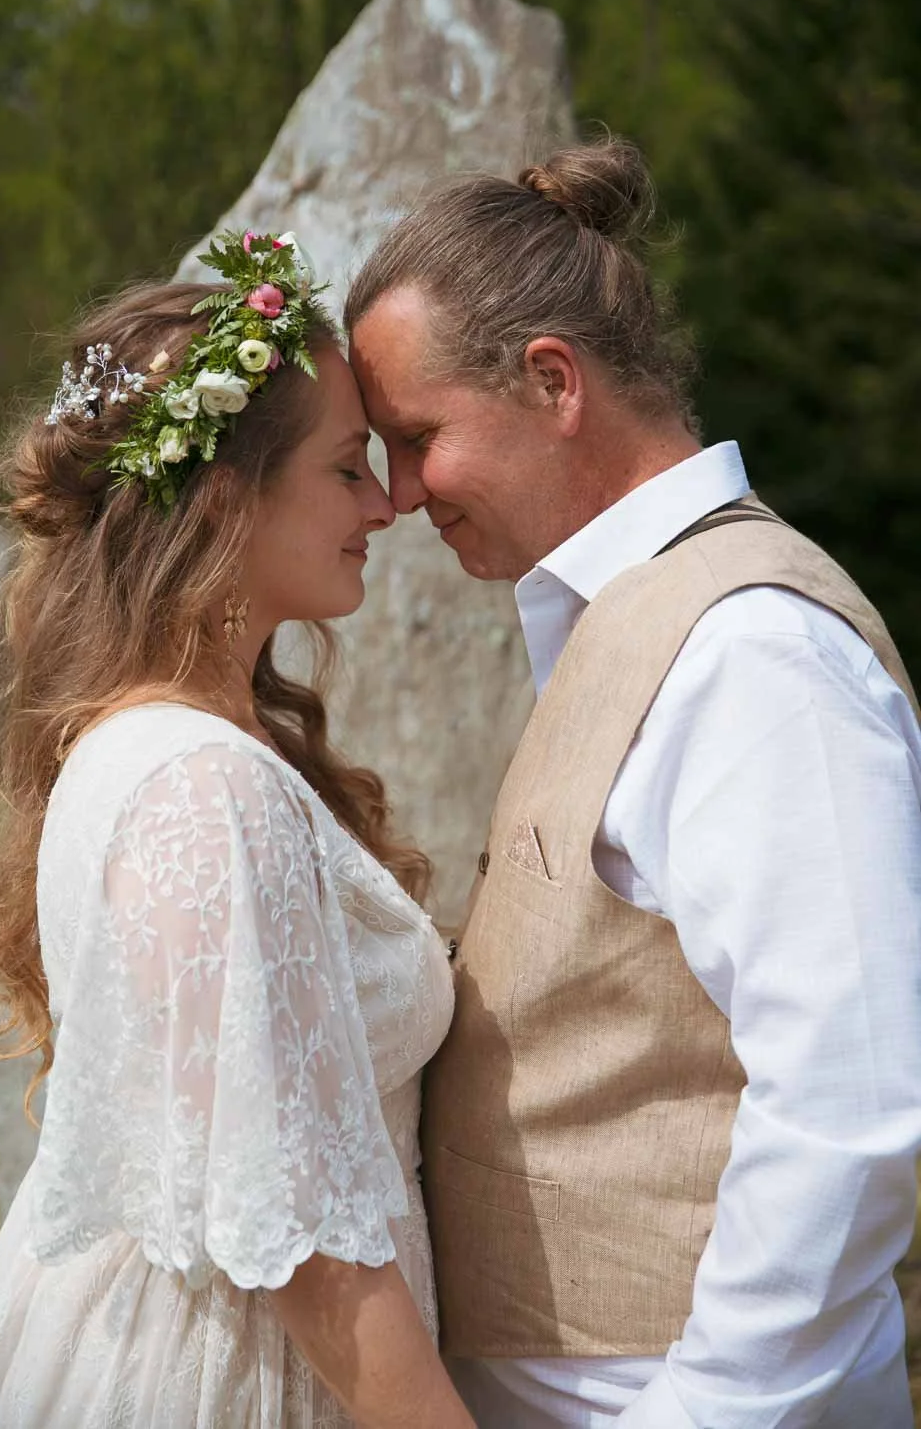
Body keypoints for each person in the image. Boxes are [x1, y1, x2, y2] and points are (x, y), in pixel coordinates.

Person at [345, 135, 921, 1428]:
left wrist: (709, 1411)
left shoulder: (753, 654)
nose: (393, 497)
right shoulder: (647, 622)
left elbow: (855, 1094)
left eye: (416, 437)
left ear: (553, 382)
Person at [0, 230, 476, 1429]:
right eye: (347, 469)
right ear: (227, 496)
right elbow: (303, 1249)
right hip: (221, 1377)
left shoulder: (179, 746)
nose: (386, 504)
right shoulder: (199, 786)